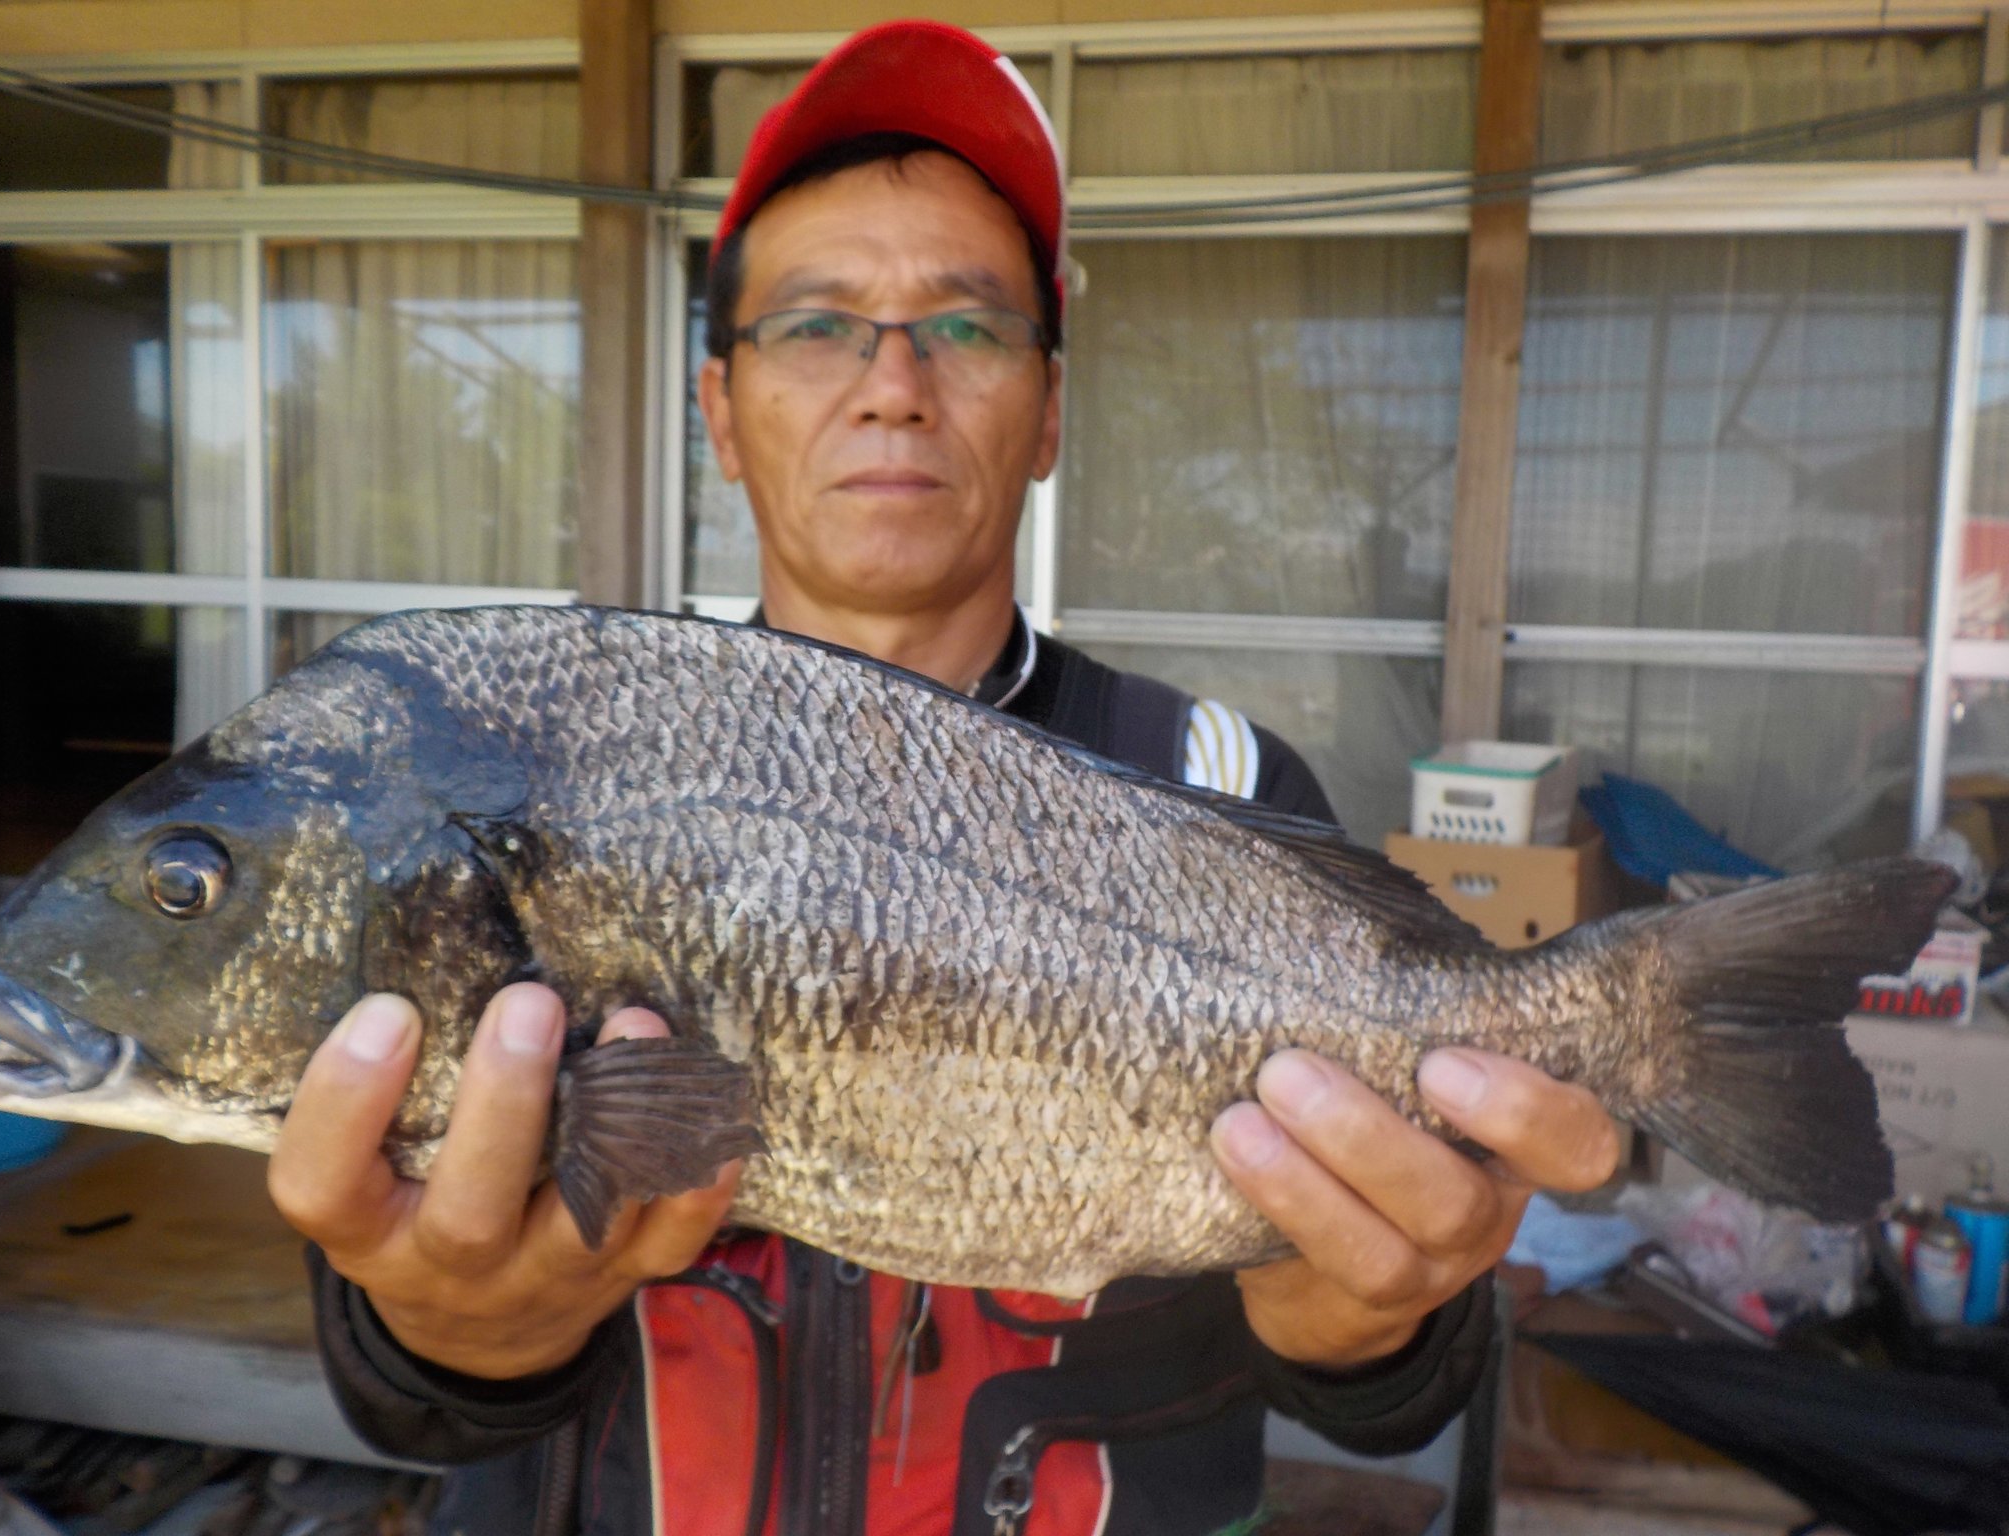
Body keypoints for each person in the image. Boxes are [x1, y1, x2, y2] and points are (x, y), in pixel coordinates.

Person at [270, 21, 1619, 1536]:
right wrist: (456, 1330)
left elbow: (1367, 1391)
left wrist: (1374, 1316)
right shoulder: (549, 759)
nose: (895, 382)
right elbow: (428, 1383)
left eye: (967, 326)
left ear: (1048, 413)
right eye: (817, 323)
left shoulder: (1218, 778)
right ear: (718, 408)